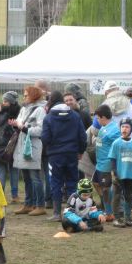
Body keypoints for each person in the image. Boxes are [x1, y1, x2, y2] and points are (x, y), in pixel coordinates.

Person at [41, 91, 87, 221]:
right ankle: (72, 212)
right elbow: (83, 137)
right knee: (72, 181)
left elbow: (45, 138)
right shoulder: (75, 116)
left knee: (56, 182)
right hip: (72, 153)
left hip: (55, 155)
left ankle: (56, 213)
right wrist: (80, 151)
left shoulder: (48, 117)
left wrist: (50, 147)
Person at [10, 86, 47, 216]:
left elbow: (41, 130)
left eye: (26, 95)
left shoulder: (40, 110)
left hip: (33, 147)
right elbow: (20, 124)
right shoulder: (24, 108)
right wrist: (16, 125)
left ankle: (40, 205)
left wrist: (23, 128)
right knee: (26, 177)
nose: (24, 97)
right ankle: (28, 204)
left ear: (34, 95)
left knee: (35, 177)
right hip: (22, 145)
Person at [109, 117, 132, 227]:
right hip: (119, 174)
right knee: (117, 195)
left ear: (131, 129)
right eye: (123, 126)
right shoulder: (116, 143)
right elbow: (113, 159)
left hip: (131, 175)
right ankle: (116, 218)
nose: (124, 129)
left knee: (129, 196)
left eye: (127, 127)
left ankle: (127, 218)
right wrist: (114, 173)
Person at [93, 105, 121, 220]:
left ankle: (110, 212)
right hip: (99, 164)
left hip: (106, 164)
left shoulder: (114, 130)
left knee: (106, 188)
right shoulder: (103, 128)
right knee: (95, 183)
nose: (97, 121)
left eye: (98, 118)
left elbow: (119, 145)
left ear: (103, 117)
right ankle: (106, 206)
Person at [0, 91, 21, 203]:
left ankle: (9, 195)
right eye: (3, 100)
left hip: (9, 143)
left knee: (8, 170)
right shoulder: (2, 111)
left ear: (11, 102)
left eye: (6, 101)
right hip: (5, 143)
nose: (3, 103)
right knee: (5, 170)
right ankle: (6, 195)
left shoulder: (12, 111)